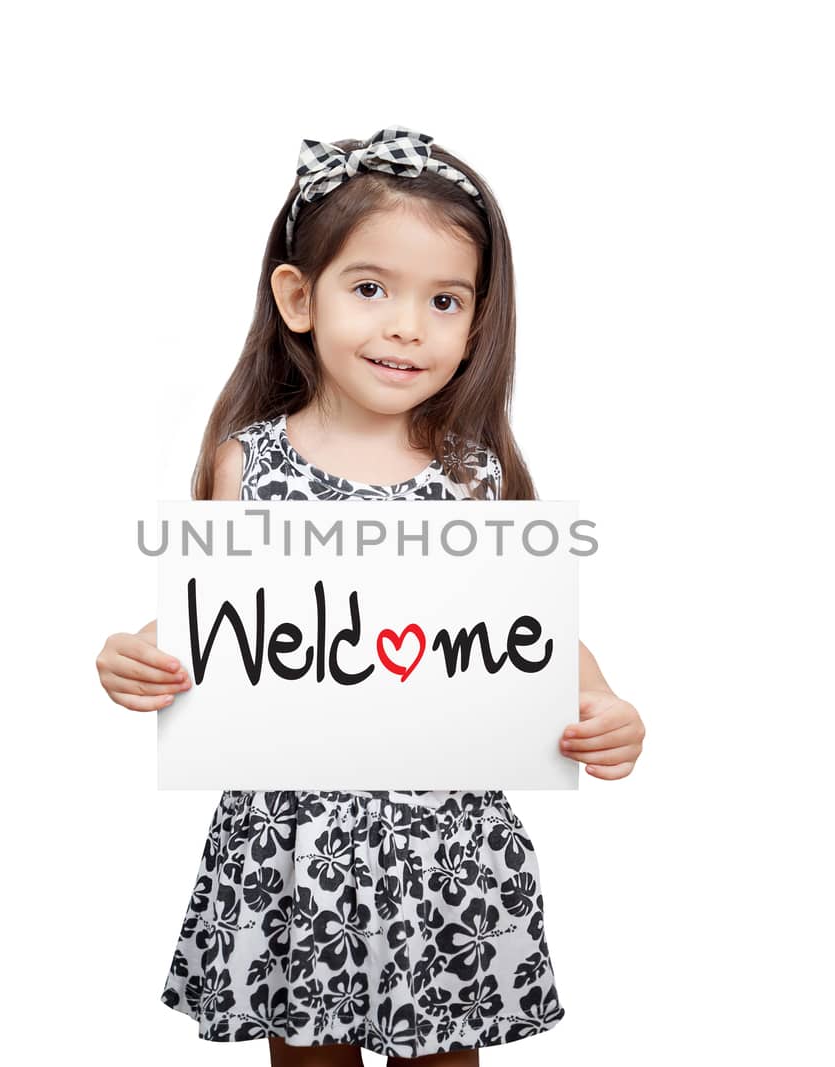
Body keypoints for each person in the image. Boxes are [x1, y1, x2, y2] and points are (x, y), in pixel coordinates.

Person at [96, 127, 646, 1066]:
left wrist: (600, 702)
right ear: (298, 298)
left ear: (479, 319)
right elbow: (224, 615)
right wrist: (137, 653)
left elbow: (525, 628)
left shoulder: (473, 475)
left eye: (444, 300)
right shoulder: (250, 462)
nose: (406, 326)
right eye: (371, 289)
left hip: (445, 843)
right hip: (294, 841)